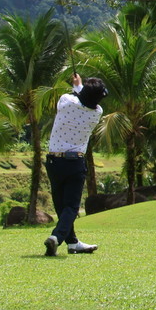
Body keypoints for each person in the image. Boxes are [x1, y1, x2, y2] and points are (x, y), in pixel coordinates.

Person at [43, 72, 107, 257]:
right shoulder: (97, 113)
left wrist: (77, 85)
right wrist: (80, 86)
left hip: (54, 161)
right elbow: (84, 98)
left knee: (62, 206)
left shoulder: (66, 101)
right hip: (75, 163)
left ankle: (73, 243)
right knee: (71, 207)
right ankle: (56, 237)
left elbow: (78, 97)